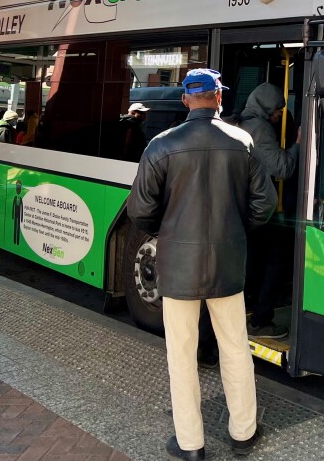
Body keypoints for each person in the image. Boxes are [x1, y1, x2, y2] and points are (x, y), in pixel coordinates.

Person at [127, 68, 277, 460]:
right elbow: (265, 206)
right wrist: (234, 230)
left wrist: (171, 232)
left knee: (181, 355)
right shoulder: (243, 141)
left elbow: (140, 210)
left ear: (185, 100)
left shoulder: (160, 145)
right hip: (228, 263)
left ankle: (191, 445)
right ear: (220, 98)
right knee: (235, 348)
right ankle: (243, 433)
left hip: (178, 266)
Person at [237, 82, 300, 339]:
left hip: (245, 208)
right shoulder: (260, 130)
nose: (279, 116)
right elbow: (282, 168)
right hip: (261, 210)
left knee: (253, 262)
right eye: (277, 110)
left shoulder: (243, 121)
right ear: (266, 108)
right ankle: (261, 319)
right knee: (276, 261)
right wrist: (298, 143)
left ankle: (249, 310)